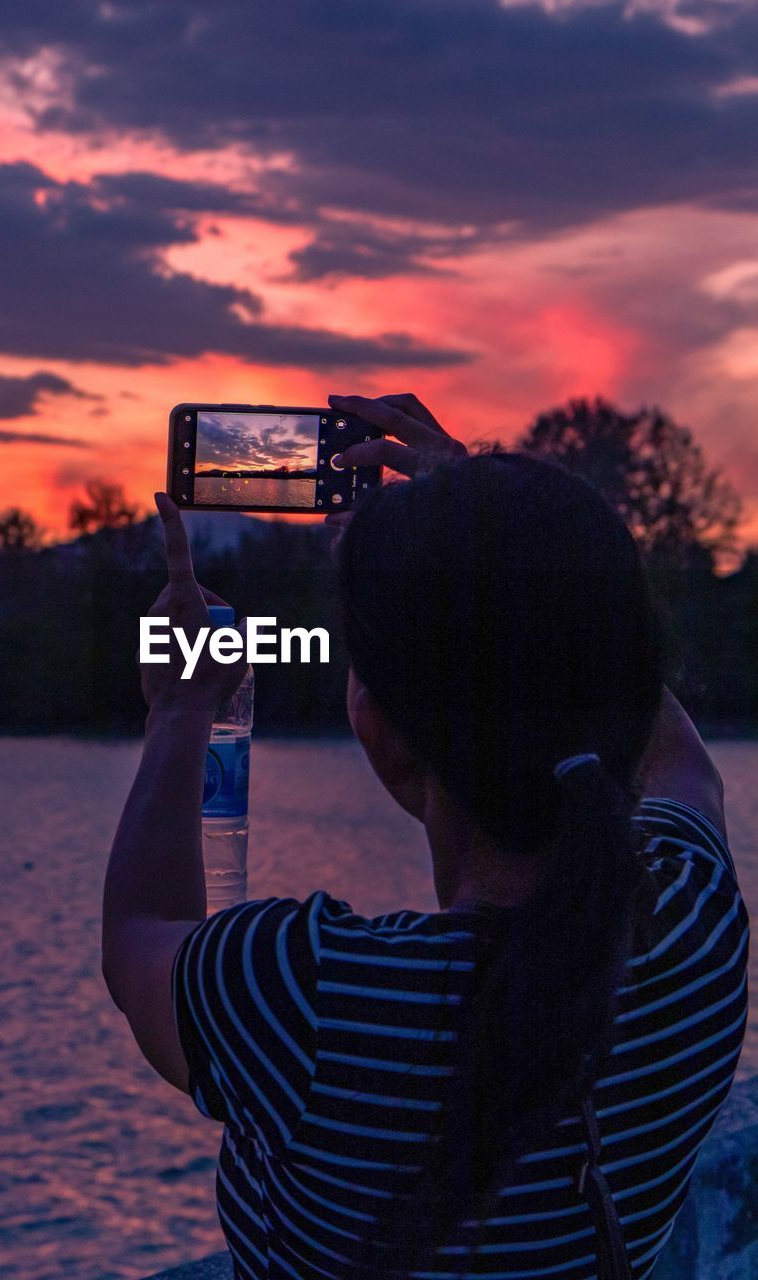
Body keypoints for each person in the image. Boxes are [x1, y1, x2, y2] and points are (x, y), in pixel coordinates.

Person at [101, 392, 749, 1279]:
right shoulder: (691, 931)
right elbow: (672, 757)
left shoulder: (305, 997)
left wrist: (182, 706)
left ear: (381, 729)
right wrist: (517, 550)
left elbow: (137, 937)